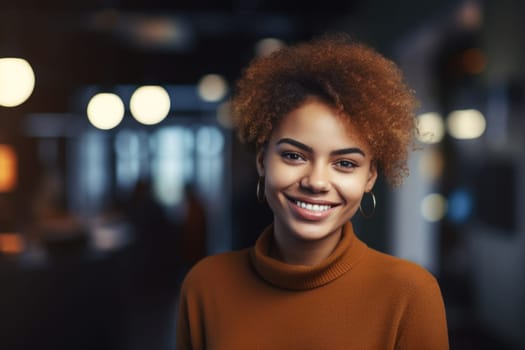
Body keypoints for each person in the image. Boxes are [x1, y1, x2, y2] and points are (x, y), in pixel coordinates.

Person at [176, 33, 449, 349]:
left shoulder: (409, 293)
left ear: (370, 176)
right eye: (294, 156)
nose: (316, 182)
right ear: (263, 159)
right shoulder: (205, 285)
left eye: (345, 163)